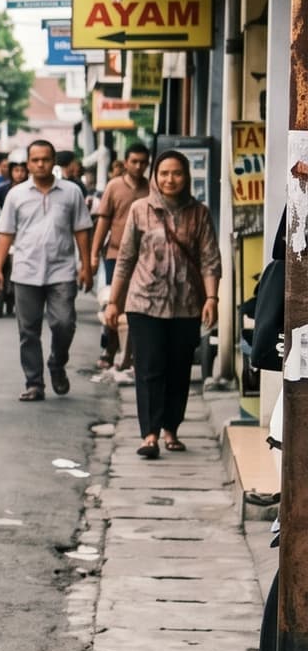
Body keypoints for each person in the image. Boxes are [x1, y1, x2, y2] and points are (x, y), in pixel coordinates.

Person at [101, 150, 220, 458]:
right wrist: (114, 302)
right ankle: (150, 434)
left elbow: (209, 259)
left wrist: (211, 298)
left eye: (177, 173)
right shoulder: (141, 210)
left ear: (186, 177)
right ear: (155, 176)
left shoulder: (200, 213)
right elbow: (125, 259)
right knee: (150, 367)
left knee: (179, 368)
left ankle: (171, 429)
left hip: (186, 304)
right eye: (164, 173)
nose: (170, 179)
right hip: (144, 302)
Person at [0, 139, 95, 401]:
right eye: (35, 160)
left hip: (62, 269)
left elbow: (82, 229)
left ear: (53, 162)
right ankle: (34, 383)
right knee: (28, 331)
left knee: (64, 323)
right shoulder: (16, 195)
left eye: (45, 159)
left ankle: (57, 363)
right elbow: (5, 234)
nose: (40, 164)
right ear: (28, 164)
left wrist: (87, 266)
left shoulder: (71, 192)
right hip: (26, 269)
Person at [93, 144, 151, 374]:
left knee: (137, 307)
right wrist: (93, 255)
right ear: (125, 162)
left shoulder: (152, 188)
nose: (138, 166)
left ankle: (132, 353)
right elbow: (104, 221)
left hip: (145, 259)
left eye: (142, 162)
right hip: (116, 255)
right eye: (134, 161)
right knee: (114, 303)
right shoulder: (114, 187)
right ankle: (110, 349)